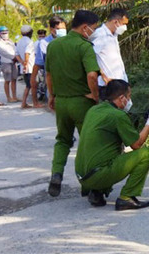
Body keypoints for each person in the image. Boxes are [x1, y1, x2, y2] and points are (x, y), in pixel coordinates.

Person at [75, 79, 149, 210]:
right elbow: (136, 145)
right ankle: (127, 197)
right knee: (145, 154)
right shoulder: (118, 116)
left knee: (111, 150)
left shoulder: (94, 110)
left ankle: (96, 191)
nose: (129, 100)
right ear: (122, 98)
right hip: (97, 174)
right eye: (129, 96)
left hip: (82, 175)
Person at [45, 10, 100, 197]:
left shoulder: (53, 46)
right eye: (94, 28)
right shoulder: (84, 47)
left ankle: (57, 174)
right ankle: (89, 185)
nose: (94, 32)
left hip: (61, 102)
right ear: (85, 27)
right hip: (82, 103)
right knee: (88, 144)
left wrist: (52, 96)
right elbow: (92, 75)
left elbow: (49, 75)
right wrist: (95, 96)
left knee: (62, 140)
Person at [90, 8, 129, 101]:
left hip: (119, 83)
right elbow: (91, 57)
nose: (125, 27)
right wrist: (104, 77)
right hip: (108, 86)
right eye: (124, 24)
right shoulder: (100, 35)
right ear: (116, 22)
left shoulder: (114, 35)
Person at [31, 17, 66, 108]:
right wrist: (33, 78)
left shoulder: (69, 41)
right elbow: (39, 62)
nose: (61, 31)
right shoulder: (44, 43)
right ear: (51, 29)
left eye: (63, 29)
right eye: (58, 29)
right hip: (53, 81)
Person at [0, 25, 19, 103]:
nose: (5, 34)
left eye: (6, 32)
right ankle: (9, 97)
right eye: (3, 33)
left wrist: (16, 58)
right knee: (7, 80)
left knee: (14, 79)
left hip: (13, 62)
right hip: (5, 62)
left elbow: (15, 49)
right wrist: (13, 57)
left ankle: (14, 96)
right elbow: (4, 52)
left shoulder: (10, 41)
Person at [15, 25, 35, 109]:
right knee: (30, 85)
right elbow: (27, 53)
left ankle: (25, 103)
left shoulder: (19, 42)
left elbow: (17, 55)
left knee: (29, 85)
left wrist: (22, 63)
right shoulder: (29, 42)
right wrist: (26, 64)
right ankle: (26, 103)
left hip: (24, 66)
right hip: (29, 67)